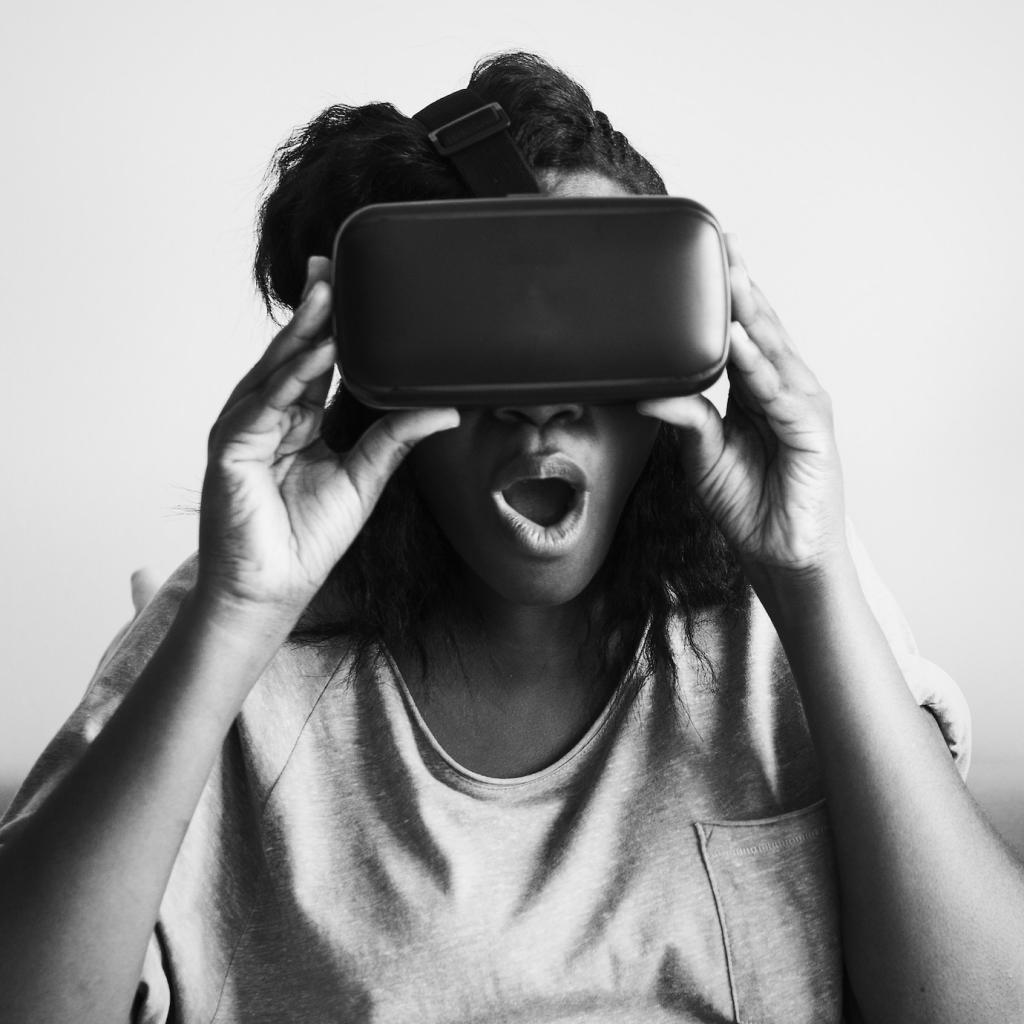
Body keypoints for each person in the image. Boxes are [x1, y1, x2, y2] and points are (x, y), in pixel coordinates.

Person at [0, 51, 1021, 1024]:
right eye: (480, 334)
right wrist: (236, 615)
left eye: (594, 324)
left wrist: (812, 574)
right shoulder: (230, 631)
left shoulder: (784, 607)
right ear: (381, 379)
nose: (540, 402)